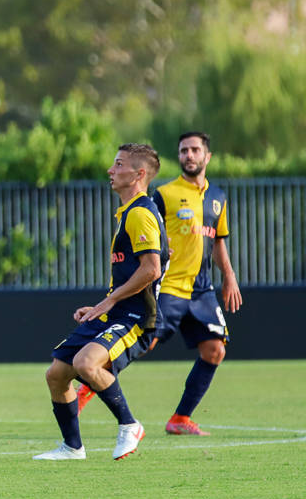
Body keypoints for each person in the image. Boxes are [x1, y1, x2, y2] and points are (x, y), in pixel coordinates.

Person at [75, 132, 242, 435]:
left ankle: (180, 419)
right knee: (145, 341)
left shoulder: (218, 197)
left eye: (194, 150)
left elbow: (218, 241)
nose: (188, 155)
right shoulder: (163, 194)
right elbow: (150, 227)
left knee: (215, 350)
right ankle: (89, 384)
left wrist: (229, 276)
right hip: (168, 285)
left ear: (208, 156)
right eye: (183, 151)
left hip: (201, 288)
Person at [34, 143, 168, 461]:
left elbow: (152, 269)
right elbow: (162, 258)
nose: (110, 170)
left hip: (136, 315)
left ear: (139, 174)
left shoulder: (139, 213)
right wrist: (103, 304)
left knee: (85, 364)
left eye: (118, 164)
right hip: (116, 310)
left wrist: (109, 302)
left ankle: (129, 425)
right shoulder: (129, 212)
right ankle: (72, 447)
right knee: (56, 374)